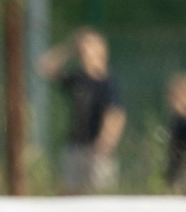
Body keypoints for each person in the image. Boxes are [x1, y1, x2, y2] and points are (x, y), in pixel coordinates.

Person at [40, 28, 125, 194]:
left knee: (100, 196)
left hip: (99, 148)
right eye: (84, 47)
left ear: (102, 50)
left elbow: (116, 114)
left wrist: (106, 141)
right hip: (76, 146)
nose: (86, 51)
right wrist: (70, 48)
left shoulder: (108, 82)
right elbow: (44, 66)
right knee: (69, 194)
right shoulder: (77, 80)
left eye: (91, 46)